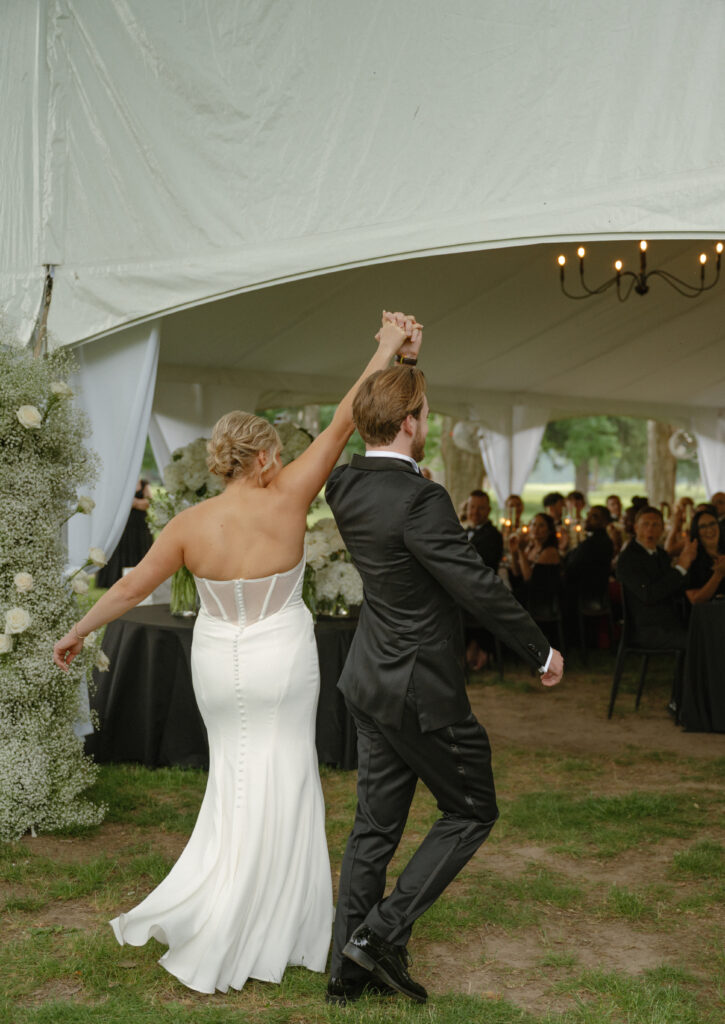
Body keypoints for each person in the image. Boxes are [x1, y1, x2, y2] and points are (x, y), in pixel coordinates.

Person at [53, 310, 421, 995]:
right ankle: (290, 925)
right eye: (276, 451)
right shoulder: (288, 496)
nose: (281, 460)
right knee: (286, 775)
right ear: (260, 458)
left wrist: (79, 632)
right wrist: (385, 347)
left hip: (220, 662)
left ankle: (226, 900)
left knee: (234, 778)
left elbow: (132, 587)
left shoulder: (189, 525)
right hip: (283, 656)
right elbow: (347, 419)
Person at [324, 365, 563, 1006]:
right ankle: (376, 938)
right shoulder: (420, 497)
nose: (427, 423)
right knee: (472, 809)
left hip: (369, 678)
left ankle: (346, 971)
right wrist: (539, 648)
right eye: (424, 413)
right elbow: (475, 583)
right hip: (418, 688)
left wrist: (396, 356)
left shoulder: (343, 484)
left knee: (374, 826)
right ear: (410, 422)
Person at [615, 505, 696, 655]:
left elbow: (675, 587)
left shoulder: (660, 554)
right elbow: (649, 594)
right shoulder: (628, 558)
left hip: (670, 623)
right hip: (646, 630)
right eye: (645, 524)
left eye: (655, 525)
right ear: (636, 528)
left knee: (709, 632)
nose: (650, 529)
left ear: (662, 529)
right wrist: (680, 568)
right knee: (699, 640)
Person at [463, 490, 504, 670]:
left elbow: (482, 564)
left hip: (482, 592)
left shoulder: (493, 535)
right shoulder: (464, 530)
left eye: (480, 508)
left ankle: (477, 648)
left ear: (488, 510)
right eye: (472, 507)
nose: (475, 512)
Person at [96, 479, 153, 588]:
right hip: (121, 524)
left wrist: (134, 503)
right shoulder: (118, 482)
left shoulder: (144, 483)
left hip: (139, 525)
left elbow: (148, 502)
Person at [685, 507, 725, 603]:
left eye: (712, 524)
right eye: (703, 526)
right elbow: (695, 600)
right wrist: (718, 575)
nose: (709, 529)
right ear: (697, 532)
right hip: (710, 614)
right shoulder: (692, 560)